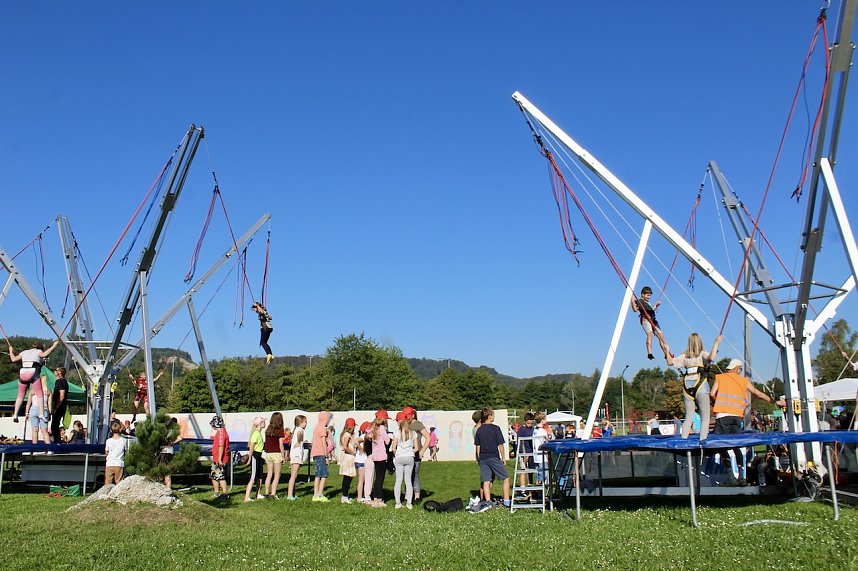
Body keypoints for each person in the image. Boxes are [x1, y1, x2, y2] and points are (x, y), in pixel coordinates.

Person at [710, 359, 785, 485]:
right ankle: (741, 476)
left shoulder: (720, 378)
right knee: (736, 445)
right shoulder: (743, 381)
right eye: (740, 369)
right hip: (737, 416)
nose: (740, 371)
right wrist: (775, 402)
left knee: (721, 446)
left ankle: (731, 476)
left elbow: (712, 393)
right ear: (737, 368)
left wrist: (717, 402)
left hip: (722, 415)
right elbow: (758, 393)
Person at [667, 333, 722, 441]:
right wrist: (716, 342)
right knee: (705, 417)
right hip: (701, 385)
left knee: (688, 417)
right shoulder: (702, 354)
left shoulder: (685, 356)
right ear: (700, 342)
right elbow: (711, 357)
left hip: (687, 386)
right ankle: (702, 441)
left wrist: (666, 350)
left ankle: (683, 440)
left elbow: (669, 362)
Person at [8, 340, 58, 423]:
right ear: (40, 348)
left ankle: (15, 414)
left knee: (20, 395)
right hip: (32, 373)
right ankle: (41, 414)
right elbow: (44, 354)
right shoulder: (38, 352)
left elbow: (13, 359)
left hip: (22, 373)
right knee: (39, 394)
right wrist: (53, 346)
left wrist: (10, 350)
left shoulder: (24, 352)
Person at [474, 408, 510, 512]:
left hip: (483, 458)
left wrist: (479, 459)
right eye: (493, 415)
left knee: (486, 481)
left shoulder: (479, 430)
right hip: (493, 456)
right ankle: (506, 501)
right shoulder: (496, 428)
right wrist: (503, 457)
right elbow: (500, 445)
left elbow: (478, 447)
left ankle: (488, 502)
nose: (494, 416)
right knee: (506, 477)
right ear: (490, 416)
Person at [630, 286, 671, 360]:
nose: (649, 297)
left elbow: (651, 310)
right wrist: (632, 301)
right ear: (642, 294)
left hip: (653, 320)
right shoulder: (640, 301)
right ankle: (650, 353)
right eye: (647, 295)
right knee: (650, 334)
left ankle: (666, 353)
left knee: (661, 336)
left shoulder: (648, 302)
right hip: (645, 319)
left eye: (650, 295)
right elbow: (635, 310)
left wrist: (656, 305)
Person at [390, 411, 417, 509]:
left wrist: (397, 454)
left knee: (398, 481)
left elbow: (393, 448)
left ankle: (398, 503)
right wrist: (410, 452)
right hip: (410, 458)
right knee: (408, 481)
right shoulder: (413, 433)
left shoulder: (396, 433)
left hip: (399, 458)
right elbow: (416, 448)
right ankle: (409, 503)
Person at [402, 406, 429, 502]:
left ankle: (417, 497)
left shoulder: (418, 424)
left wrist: (422, 451)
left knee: (415, 475)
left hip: (416, 454)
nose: (406, 419)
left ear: (412, 415)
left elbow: (428, 437)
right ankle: (407, 496)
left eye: (408, 417)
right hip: (406, 454)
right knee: (407, 475)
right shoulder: (404, 424)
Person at [368, 410, 391, 507]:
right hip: (382, 456)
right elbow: (387, 440)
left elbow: (369, 436)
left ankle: (375, 499)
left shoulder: (373, 428)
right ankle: (379, 500)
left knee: (377, 478)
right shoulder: (382, 428)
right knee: (380, 479)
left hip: (375, 456)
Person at [263, 412, 286, 499]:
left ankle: (266, 493)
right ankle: (273, 493)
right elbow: (281, 444)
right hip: (276, 453)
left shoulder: (268, 430)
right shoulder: (280, 430)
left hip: (268, 454)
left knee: (269, 474)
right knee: (277, 474)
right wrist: (283, 456)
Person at [310, 411, 331, 502]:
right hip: (321, 454)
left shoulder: (316, 427)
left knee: (317, 475)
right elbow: (323, 443)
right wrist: (326, 456)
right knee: (324, 475)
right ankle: (320, 494)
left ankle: (315, 494)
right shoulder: (322, 428)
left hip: (315, 453)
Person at [244, 416, 266, 502]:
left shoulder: (259, 433)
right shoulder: (255, 434)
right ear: (260, 423)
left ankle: (258, 494)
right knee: (252, 478)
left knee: (260, 476)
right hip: (255, 456)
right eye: (263, 421)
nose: (265, 423)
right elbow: (252, 447)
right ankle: (246, 497)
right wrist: (250, 458)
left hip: (259, 456)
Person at [286, 414, 307, 500]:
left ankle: (293, 494)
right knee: (294, 475)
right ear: (301, 422)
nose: (306, 424)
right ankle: (290, 495)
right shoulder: (299, 430)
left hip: (294, 454)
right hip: (296, 455)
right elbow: (299, 434)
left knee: (294, 475)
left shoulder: (297, 429)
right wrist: (298, 442)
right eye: (305, 422)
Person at [209, 415, 230, 500]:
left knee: (221, 477)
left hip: (220, 458)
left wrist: (220, 459)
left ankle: (225, 494)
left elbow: (221, 446)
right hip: (216, 458)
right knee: (214, 476)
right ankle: (216, 492)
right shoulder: (219, 432)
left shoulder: (221, 432)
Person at [516, 412, 536, 496]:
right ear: (525, 421)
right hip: (524, 452)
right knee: (523, 470)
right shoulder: (521, 430)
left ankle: (530, 487)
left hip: (532, 452)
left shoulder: (533, 429)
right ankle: (522, 489)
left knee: (531, 470)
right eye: (528, 423)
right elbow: (521, 442)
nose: (529, 425)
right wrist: (524, 454)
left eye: (531, 423)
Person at [338, 417, 357, 503]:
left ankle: (345, 495)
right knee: (348, 477)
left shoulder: (344, 434)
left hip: (346, 457)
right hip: (348, 457)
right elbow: (345, 447)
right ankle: (344, 496)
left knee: (347, 477)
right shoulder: (348, 435)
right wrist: (353, 452)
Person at [104, 420, 128, 486]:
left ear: (111, 430)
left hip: (109, 463)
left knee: (108, 483)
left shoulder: (108, 441)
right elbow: (126, 451)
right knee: (119, 483)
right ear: (120, 429)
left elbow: (106, 452)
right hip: (119, 463)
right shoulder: (124, 440)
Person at [160, 417, 182, 488]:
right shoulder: (171, 430)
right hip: (167, 450)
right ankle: (166, 486)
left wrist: (171, 443)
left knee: (166, 469)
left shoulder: (170, 431)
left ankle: (167, 487)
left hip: (166, 450)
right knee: (165, 469)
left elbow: (180, 438)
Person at [50, 366, 69, 444]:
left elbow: (62, 396)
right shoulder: (63, 382)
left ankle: (57, 442)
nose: (54, 371)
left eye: (56, 370)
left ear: (59, 372)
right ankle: (57, 441)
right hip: (61, 406)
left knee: (54, 425)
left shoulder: (60, 382)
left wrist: (56, 408)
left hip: (59, 407)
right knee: (55, 425)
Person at [532, 412, 549, 485]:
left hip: (535, 455)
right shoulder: (542, 431)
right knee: (544, 474)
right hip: (541, 455)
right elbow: (545, 443)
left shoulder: (534, 430)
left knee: (539, 473)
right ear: (542, 420)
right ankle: (539, 487)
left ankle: (538, 487)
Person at [358, 421, 374, 504]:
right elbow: (356, 441)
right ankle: (365, 497)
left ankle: (365, 496)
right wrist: (361, 449)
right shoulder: (365, 437)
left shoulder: (366, 437)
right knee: (366, 479)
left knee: (367, 479)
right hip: (367, 459)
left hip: (366, 459)